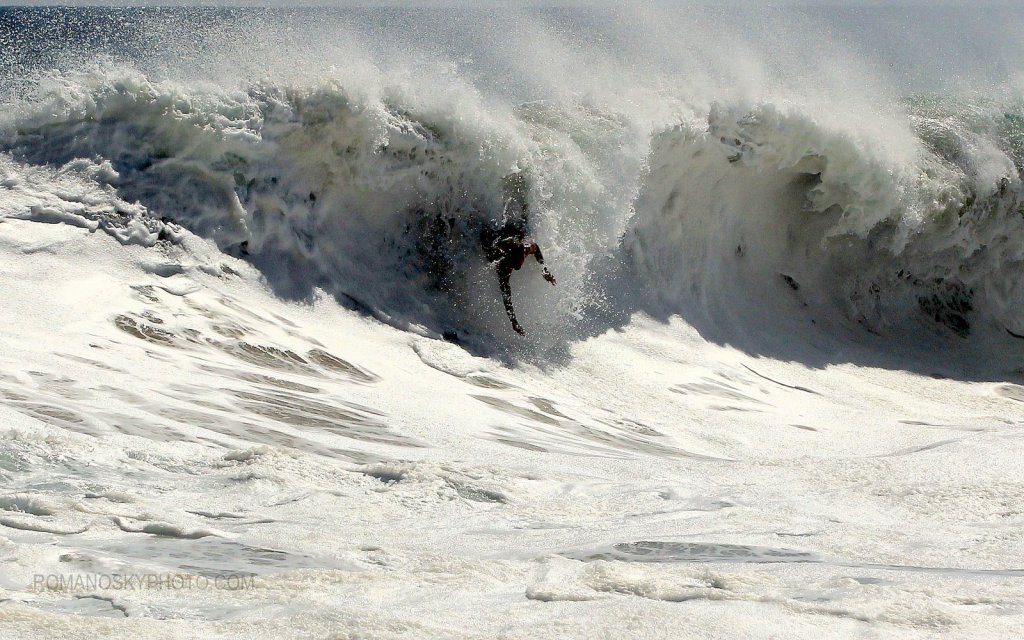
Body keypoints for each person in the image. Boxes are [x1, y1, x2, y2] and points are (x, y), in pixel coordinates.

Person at [491, 233, 556, 335]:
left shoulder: (526, 248)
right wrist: (514, 322)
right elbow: (507, 298)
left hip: (512, 238)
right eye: (514, 264)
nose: (517, 267)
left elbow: (536, 248)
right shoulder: (503, 267)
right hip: (495, 241)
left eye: (519, 262)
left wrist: (544, 271)